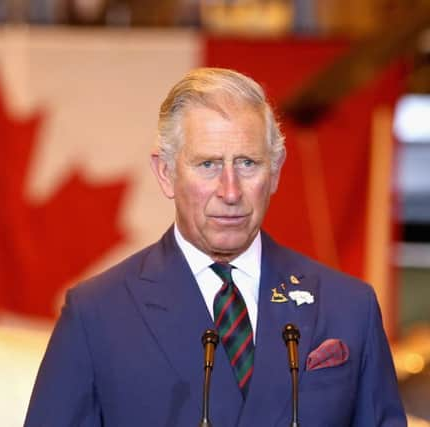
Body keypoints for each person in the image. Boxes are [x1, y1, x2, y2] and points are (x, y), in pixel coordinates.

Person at [24, 68, 405, 426]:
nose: (230, 191)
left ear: (275, 172)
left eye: (248, 163)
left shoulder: (348, 308)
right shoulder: (97, 315)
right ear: (166, 172)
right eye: (207, 164)